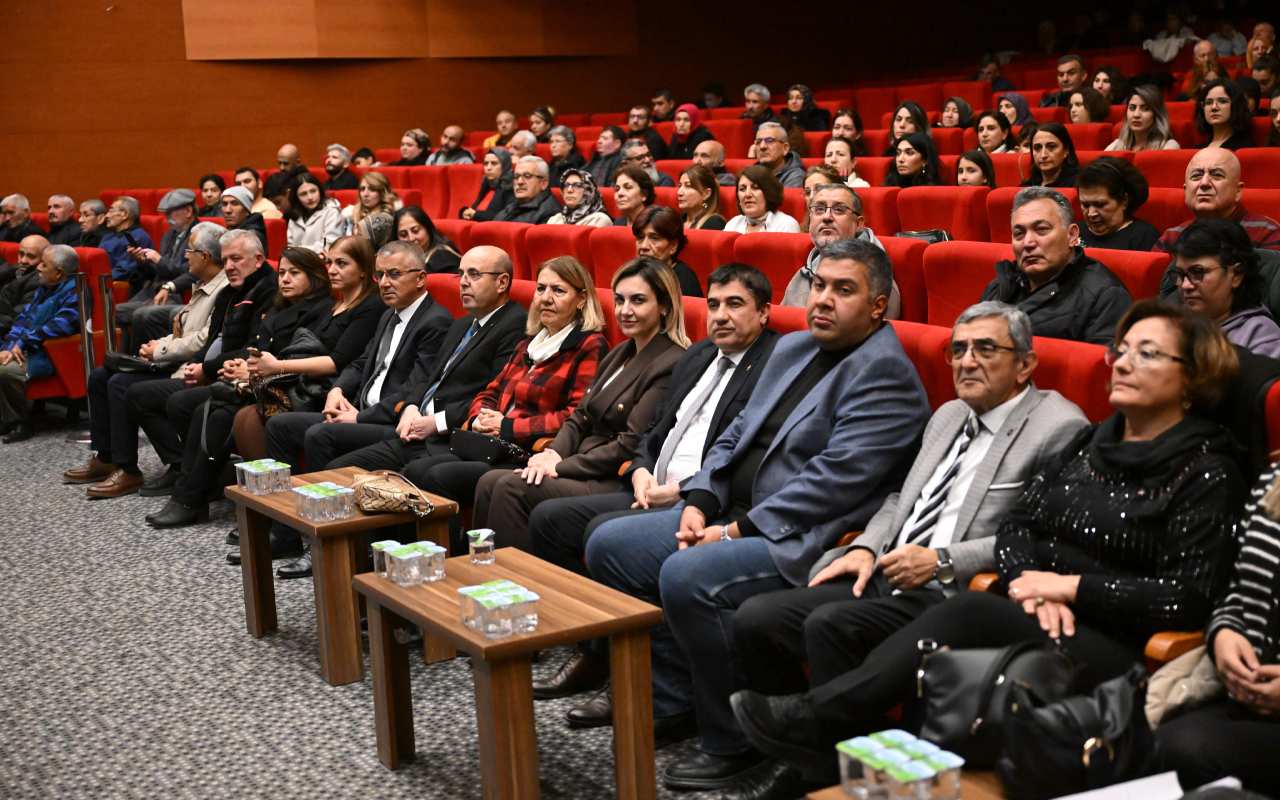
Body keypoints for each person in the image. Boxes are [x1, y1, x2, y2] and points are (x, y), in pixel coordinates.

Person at [730, 300, 1245, 783]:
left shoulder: (1206, 471)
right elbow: (1020, 525)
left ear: (1193, 378)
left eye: (1147, 354)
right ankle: (833, 767)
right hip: (1036, 609)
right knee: (799, 617)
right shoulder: (1094, 442)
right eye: (1122, 350)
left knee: (965, 612)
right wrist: (1028, 584)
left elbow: (1189, 596)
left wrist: (1068, 589)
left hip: (1117, 640)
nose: (1124, 363)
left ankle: (816, 721)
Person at [584, 238, 931, 790]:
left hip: (800, 534)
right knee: (610, 545)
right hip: (729, 509)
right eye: (819, 285)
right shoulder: (793, 349)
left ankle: (737, 739)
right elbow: (735, 433)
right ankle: (676, 699)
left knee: (687, 574)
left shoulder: (885, 373)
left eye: (843, 290)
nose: (823, 299)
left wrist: (732, 530)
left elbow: (834, 483)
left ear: (877, 306)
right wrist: (700, 500)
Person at [725, 301, 1090, 798]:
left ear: (1025, 364)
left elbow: (1040, 538)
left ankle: (831, 774)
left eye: (985, 349)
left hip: (953, 591)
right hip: (888, 569)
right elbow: (902, 497)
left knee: (829, 624)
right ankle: (813, 758)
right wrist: (867, 547)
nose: (967, 362)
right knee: (757, 618)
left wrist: (941, 561)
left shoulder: (1058, 426)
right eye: (958, 350)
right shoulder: (948, 414)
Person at [528, 264, 779, 703]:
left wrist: (685, 491)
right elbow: (654, 432)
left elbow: (742, 455)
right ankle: (596, 650)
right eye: (714, 304)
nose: (720, 315)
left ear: (763, 312)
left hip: (701, 498)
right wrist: (641, 469)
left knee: (601, 533)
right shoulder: (700, 356)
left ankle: (626, 669)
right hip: (649, 485)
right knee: (550, 519)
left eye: (735, 304)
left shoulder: (771, 366)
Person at [471, 257, 687, 550]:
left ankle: (513, 575)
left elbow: (630, 443)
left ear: (664, 306)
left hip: (610, 475)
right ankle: (482, 566)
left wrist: (562, 466)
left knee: (511, 487)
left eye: (638, 300)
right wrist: (553, 453)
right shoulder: (621, 352)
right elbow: (581, 415)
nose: (625, 310)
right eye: (620, 300)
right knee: (489, 482)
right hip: (579, 461)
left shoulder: (670, 361)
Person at [145, 246, 334, 528]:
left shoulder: (320, 310)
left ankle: (190, 497)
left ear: (314, 277)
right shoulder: (279, 306)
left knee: (217, 412)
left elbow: (297, 357)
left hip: (287, 388)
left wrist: (251, 370)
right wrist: (241, 365)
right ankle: (194, 488)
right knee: (199, 405)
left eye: (294, 273)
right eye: (282, 273)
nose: (285, 279)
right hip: (259, 380)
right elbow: (257, 346)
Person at [316, 246, 527, 497]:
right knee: (336, 472)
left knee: (406, 479)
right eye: (461, 274)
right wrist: (412, 406)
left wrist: (435, 423)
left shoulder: (514, 325)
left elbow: (492, 395)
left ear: (502, 282)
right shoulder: (462, 324)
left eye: (474, 275)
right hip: (416, 430)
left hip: (449, 437)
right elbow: (428, 377)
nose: (463, 283)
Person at [63, 222, 230, 497]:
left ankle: (129, 469)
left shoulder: (222, 289)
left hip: (187, 366)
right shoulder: (203, 283)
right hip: (175, 358)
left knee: (120, 384)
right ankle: (106, 457)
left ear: (205, 256)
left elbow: (203, 340)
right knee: (100, 376)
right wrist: (157, 345)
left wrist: (160, 350)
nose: (185, 256)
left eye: (189, 251)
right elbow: (184, 330)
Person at [1156, 466, 1280, 796]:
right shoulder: (1272, 479)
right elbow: (1236, 587)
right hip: (1242, 699)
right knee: (1138, 740)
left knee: (1184, 749)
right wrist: (1224, 633)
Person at [982, 187, 1130, 344]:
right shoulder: (1003, 283)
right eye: (1019, 234)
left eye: (1041, 230)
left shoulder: (1106, 296)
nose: (1028, 243)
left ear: (1072, 235)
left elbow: (1102, 359)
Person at [782, 184, 902, 318]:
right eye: (819, 209)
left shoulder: (875, 276)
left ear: (858, 224)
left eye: (839, 210)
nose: (826, 217)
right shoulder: (806, 270)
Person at [0, 244, 80, 443]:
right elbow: (23, 319)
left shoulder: (76, 293)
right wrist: (9, 346)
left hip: (52, 354)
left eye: (44, 264)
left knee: (6, 371)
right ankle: (5, 418)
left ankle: (20, 422)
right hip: (27, 348)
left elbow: (58, 327)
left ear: (59, 273)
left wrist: (22, 343)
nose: (38, 268)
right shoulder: (44, 287)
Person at [1170, 218, 1280, 358]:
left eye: (1198, 272)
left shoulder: (1262, 339)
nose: (1185, 285)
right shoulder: (1168, 326)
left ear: (1236, 275)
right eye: (1180, 274)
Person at [1153, 148, 1280, 265]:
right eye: (1196, 176)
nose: (1204, 183)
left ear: (1238, 191)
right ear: (1185, 190)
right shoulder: (1171, 237)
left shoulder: (1267, 232)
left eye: (1217, 175)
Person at [117, 189, 199, 353]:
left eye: (171, 212)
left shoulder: (198, 235)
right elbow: (158, 272)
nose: (167, 218)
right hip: (153, 290)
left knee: (141, 314)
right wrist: (143, 261)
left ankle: (143, 358)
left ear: (188, 211)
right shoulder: (169, 234)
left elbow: (191, 272)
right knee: (116, 311)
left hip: (175, 293)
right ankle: (124, 357)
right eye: (165, 213)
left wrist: (159, 260)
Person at [1077, 157, 1160, 251]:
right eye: (1085, 205)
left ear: (1124, 201)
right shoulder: (1074, 231)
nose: (1091, 213)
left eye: (1100, 205)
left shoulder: (1144, 236)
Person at [632, 206, 703, 297]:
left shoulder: (683, 280)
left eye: (654, 238)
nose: (644, 246)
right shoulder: (633, 272)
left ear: (673, 246)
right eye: (640, 238)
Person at [99, 196, 155, 294]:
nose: (106, 216)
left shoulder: (138, 238)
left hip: (115, 287)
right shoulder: (108, 236)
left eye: (111, 211)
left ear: (125, 214)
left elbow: (125, 270)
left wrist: (98, 280)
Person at [725, 166, 800, 234]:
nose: (747, 194)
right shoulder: (732, 224)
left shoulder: (786, 225)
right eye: (742, 189)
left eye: (755, 188)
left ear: (769, 193)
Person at [1106, 85, 1181, 151]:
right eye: (1132, 108)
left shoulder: (1169, 146)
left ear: (1157, 114)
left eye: (1145, 109)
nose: (1136, 115)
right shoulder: (1116, 145)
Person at [0, 236, 48, 337]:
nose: (23, 260)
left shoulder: (39, 282)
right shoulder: (13, 269)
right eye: (21, 254)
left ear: (44, 259)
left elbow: (16, 318)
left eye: (31, 256)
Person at [492, 156, 560, 225]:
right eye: (516, 177)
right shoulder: (513, 205)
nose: (519, 182)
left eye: (527, 176)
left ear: (543, 184)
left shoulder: (550, 214)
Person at [286, 174, 344, 253]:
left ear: (320, 191)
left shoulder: (331, 211)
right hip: (298, 259)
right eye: (303, 194)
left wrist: (299, 250)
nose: (310, 197)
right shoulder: (294, 215)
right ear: (296, 198)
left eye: (313, 191)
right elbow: (290, 247)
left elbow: (329, 245)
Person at [393, 206, 461, 273]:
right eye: (403, 234)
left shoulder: (444, 259)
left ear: (427, 228)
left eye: (415, 231)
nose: (411, 238)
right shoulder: (399, 258)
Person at [1197, 79, 1255, 149]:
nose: (1214, 107)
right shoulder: (1198, 149)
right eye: (1208, 102)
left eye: (1222, 101)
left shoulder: (1244, 149)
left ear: (1236, 105)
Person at [460, 148, 514, 221]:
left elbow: (501, 217)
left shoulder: (510, 187)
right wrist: (464, 212)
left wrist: (475, 214)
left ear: (505, 165)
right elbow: (474, 208)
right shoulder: (486, 183)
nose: (488, 168)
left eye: (494, 163)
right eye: (486, 164)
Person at [547, 169, 611, 228]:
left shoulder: (599, 219)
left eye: (577, 185)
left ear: (589, 191)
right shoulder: (555, 219)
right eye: (566, 185)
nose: (569, 190)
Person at [1023, 123, 1079, 188]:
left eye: (1051, 147)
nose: (1043, 155)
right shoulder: (1027, 186)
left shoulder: (1079, 185)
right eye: (1037, 148)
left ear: (1066, 150)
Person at [753, 121, 805, 189]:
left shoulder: (796, 177)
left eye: (769, 141)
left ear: (785, 148)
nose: (762, 146)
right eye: (758, 142)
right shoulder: (752, 173)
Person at [219, 186, 269, 253]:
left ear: (246, 210)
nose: (228, 210)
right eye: (224, 204)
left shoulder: (252, 237)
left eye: (235, 204)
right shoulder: (231, 230)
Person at [676, 165, 726, 231]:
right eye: (680, 186)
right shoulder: (677, 221)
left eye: (688, 186)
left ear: (706, 194)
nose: (679, 192)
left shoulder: (714, 223)